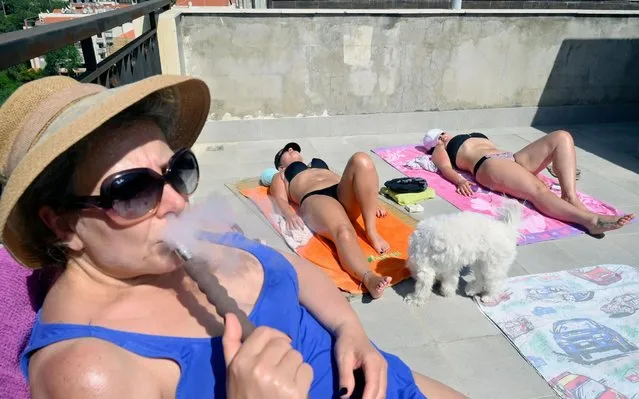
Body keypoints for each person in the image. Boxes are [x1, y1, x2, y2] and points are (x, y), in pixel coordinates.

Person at [0, 76, 466, 399]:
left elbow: (298, 274)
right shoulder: (88, 375)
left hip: (382, 375)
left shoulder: (186, 235)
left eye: (175, 171)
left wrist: (351, 331)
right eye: (133, 190)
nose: (177, 203)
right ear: (61, 224)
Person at [422, 128, 635, 236]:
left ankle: (570, 196)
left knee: (562, 137)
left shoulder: (464, 136)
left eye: (443, 133)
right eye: (438, 137)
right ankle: (590, 221)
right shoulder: (440, 149)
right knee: (538, 191)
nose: (442, 136)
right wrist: (459, 181)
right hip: (488, 165)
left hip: (513, 158)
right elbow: (445, 168)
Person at [270, 143, 393, 298]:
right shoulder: (281, 175)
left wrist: (370, 201)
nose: (291, 149)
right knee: (343, 231)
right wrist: (289, 214)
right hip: (317, 197)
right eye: (285, 151)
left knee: (361, 159)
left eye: (294, 148)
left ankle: (371, 231)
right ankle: (369, 277)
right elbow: (279, 199)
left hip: (340, 191)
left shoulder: (315, 164)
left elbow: (355, 179)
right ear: (280, 167)